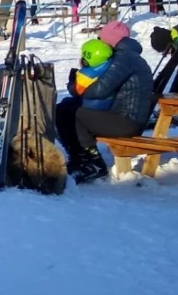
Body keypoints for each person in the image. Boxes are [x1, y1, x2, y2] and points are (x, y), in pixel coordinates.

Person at [55, 26, 153, 183]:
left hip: (127, 120)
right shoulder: (124, 56)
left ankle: (93, 163)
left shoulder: (125, 59)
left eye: (101, 40)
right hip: (120, 115)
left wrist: (74, 85)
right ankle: (79, 158)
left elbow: (100, 90)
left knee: (75, 114)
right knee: (64, 108)